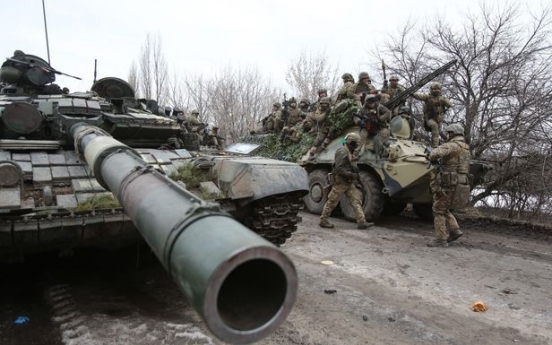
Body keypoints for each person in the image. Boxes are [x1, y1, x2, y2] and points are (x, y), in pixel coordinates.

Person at [427, 123, 471, 247]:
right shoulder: (466, 148)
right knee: (443, 206)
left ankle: (440, 240)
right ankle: (454, 229)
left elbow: (433, 154)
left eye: (448, 133)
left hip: (449, 182)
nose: (447, 135)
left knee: (438, 209)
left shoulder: (451, 145)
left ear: (452, 134)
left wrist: (434, 155)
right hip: (461, 181)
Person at [319, 133, 373, 229]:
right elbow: (339, 169)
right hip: (340, 182)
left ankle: (361, 222)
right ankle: (323, 220)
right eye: (356, 143)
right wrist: (351, 174)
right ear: (351, 142)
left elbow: (349, 164)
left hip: (348, 182)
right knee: (332, 202)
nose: (357, 146)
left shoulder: (349, 152)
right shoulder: (342, 152)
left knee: (356, 200)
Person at [412, 82, 452, 148]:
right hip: (429, 118)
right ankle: (435, 146)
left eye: (437, 89)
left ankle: (439, 144)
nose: (436, 90)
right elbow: (418, 96)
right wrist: (412, 93)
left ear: (440, 90)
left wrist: (443, 100)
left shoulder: (442, 98)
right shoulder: (427, 97)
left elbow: (449, 104)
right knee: (434, 126)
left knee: (438, 132)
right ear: (431, 89)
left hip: (438, 119)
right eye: (434, 89)